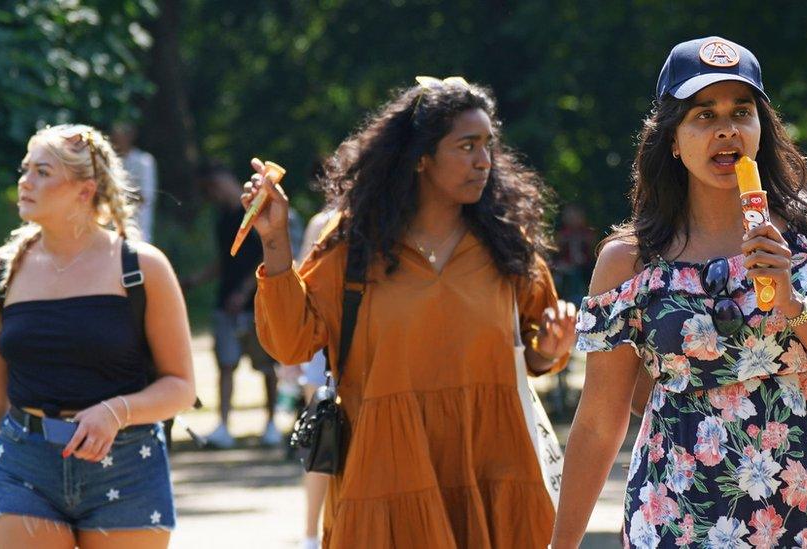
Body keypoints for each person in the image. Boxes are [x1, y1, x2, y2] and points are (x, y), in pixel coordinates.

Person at [552, 37, 807, 548]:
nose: (727, 129)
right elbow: (600, 421)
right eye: (703, 115)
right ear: (672, 138)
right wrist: (561, 543)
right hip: (674, 516)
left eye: (742, 111)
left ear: (761, 129)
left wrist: (794, 304)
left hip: (806, 515)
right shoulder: (630, 260)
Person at [244, 77, 577, 548]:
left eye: (488, 146)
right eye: (466, 146)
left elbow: (536, 354)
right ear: (422, 157)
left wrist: (550, 350)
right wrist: (273, 240)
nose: (484, 161)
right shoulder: (353, 247)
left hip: (494, 468)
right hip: (385, 479)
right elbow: (290, 343)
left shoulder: (507, 247)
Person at [0, 124, 196, 548]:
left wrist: (114, 412)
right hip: (25, 462)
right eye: (24, 168)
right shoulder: (1, 271)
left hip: (127, 464)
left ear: (85, 191)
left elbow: (180, 387)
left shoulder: (141, 269)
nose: (24, 181)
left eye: (42, 172)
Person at [186, 161, 302, 449]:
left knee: (266, 366)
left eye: (212, 188)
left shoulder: (257, 211)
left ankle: (272, 423)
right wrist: (194, 280)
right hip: (226, 304)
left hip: (256, 304)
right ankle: (224, 426)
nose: (212, 195)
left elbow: (265, 255)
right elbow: (226, 260)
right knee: (226, 364)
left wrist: (244, 291)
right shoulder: (223, 218)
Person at [293, 206, 336, 549]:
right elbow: (300, 282)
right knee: (323, 443)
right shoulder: (323, 223)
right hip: (322, 351)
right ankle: (311, 534)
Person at [111, 123, 158, 243]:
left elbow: (145, 196)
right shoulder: (110, 160)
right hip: (112, 235)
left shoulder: (144, 161)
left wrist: (114, 193)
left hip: (138, 233)